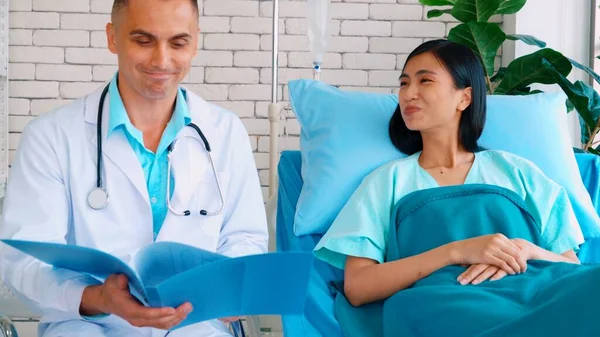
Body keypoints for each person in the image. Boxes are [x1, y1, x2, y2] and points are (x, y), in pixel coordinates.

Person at [0, 0, 268, 336]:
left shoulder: (225, 132)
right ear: (112, 38)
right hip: (86, 323)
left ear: (196, 41)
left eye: (178, 42)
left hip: (194, 323)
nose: (162, 60)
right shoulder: (51, 137)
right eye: (143, 41)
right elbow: (25, 261)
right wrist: (100, 298)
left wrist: (228, 290)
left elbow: (244, 238)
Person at [313, 39, 585, 308]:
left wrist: (527, 251)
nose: (408, 94)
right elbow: (358, 287)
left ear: (464, 97)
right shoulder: (387, 182)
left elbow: (572, 269)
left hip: (530, 303)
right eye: (404, 83)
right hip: (436, 310)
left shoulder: (518, 173)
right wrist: (455, 252)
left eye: (425, 81)